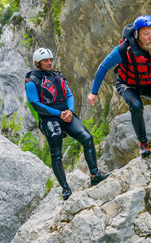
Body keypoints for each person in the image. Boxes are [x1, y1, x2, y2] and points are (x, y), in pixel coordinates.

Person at [87, 15, 151, 157]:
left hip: (149, 82)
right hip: (127, 84)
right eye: (146, 33)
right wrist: (94, 92)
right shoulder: (124, 49)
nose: (150, 37)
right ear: (137, 34)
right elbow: (103, 67)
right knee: (136, 106)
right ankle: (143, 143)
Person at [25, 47, 109, 201]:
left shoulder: (58, 76)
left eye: (50, 60)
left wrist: (70, 111)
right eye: (46, 61)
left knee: (87, 138)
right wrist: (59, 114)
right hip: (49, 119)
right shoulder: (31, 81)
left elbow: (69, 95)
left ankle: (95, 174)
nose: (50, 63)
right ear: (38, 63)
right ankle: (65, 188)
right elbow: (36, 104)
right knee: (56, 155)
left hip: (67, 115)